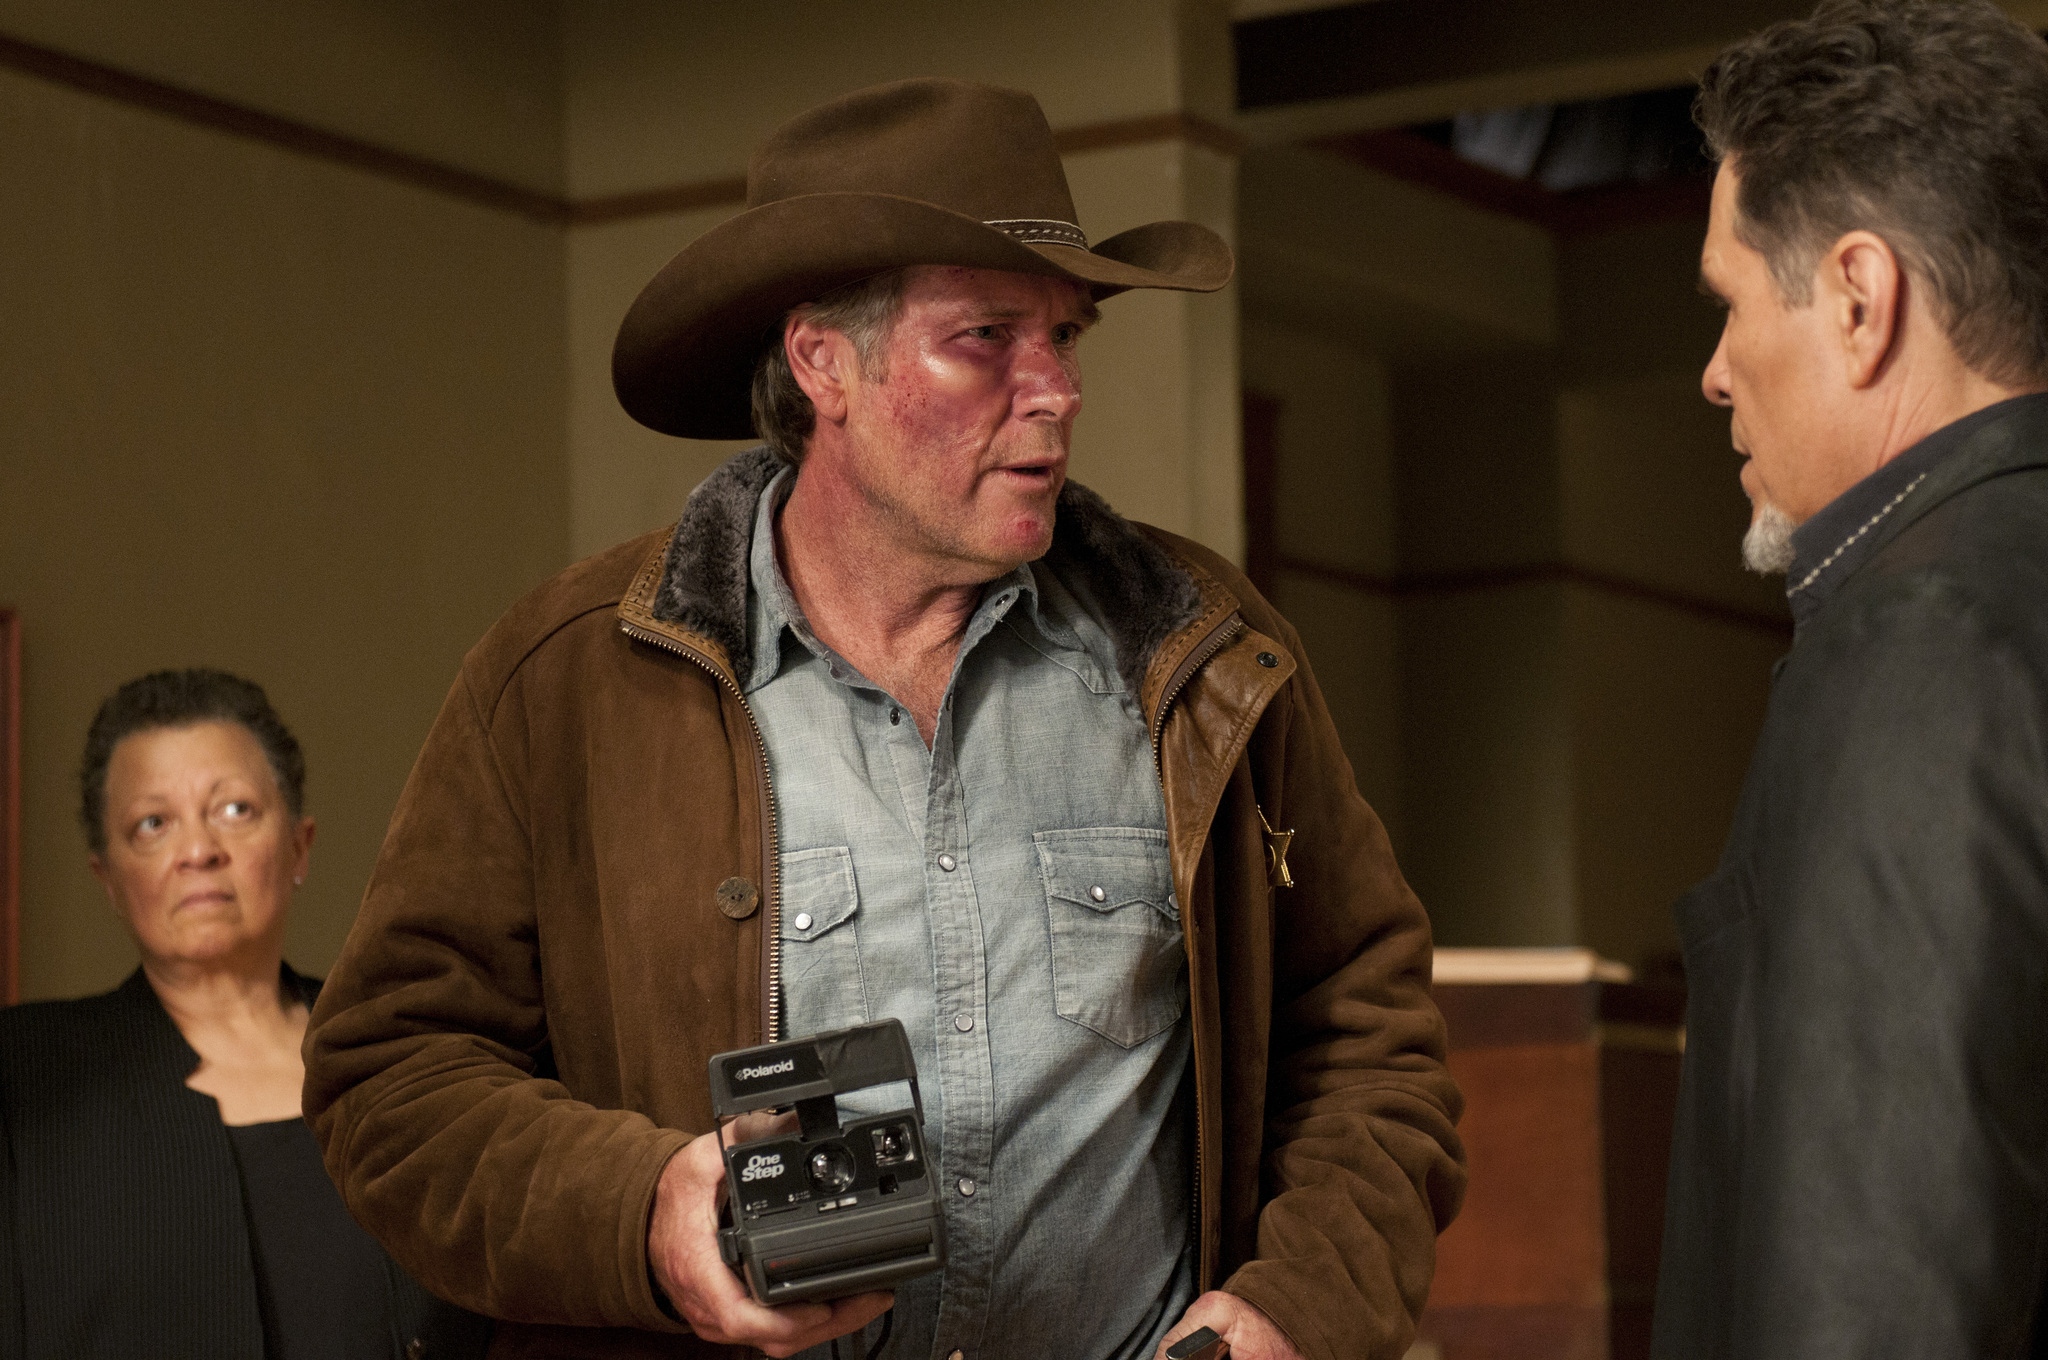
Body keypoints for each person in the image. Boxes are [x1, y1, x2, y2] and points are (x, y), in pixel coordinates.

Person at [305, 78, 1465, 1360]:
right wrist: (645, 1214)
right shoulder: (570, 681)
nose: (1055, 391)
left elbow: (1368, 1043)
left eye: (1065, 337)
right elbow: (394, 1077)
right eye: (983, 338)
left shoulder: (1198, 651)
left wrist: (1296, 1307)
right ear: (822, 363)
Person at [1656, 3, 2048, 1355]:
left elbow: (1881, 1276)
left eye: (1730, 302)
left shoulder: (1916, 649)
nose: (1714, 376)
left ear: (1860, 299)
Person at [0, 669, 488, 1360]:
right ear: (108, 877)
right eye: (152, 824)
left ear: (299, 845)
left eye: (234, 810)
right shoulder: (26, 1080)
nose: (198, 851)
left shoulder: (406, 1052)